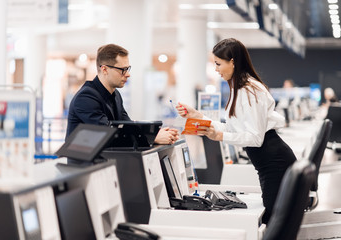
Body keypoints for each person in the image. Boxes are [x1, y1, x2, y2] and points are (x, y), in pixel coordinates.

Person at [175, 38, 296, 224]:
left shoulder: (249, 89)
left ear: (232, 61)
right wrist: (197, 116)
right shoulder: (239, 88)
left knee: (274, 221)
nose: (215, 69)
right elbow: (232, 127)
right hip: (268, 164)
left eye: (218, 64)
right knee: (272, 218)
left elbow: (255, 139)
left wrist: (220, 136)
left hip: (275, 164)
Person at [66, 44, 179, 145]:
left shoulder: (116, 95)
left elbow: (128, 127)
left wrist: (155, 133)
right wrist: (152, 138)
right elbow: (107, 135)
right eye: (122, 70)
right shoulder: (86, 97)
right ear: (104, 69)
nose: (128, 74)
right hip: (83, 166)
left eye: (128, 69)